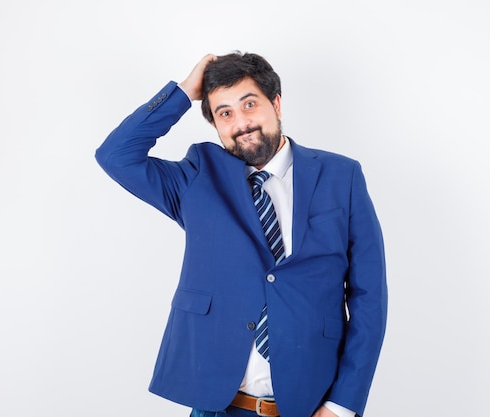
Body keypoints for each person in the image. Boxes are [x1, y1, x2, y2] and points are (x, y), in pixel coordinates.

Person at [95, 51, 387, 417]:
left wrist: (342, 406)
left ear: (276, 103)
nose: (241, 122)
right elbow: (116, 155)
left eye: (249, 104)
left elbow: (369, 298)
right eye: (225, 113)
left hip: (312, 406)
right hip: (219, 406)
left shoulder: (341, 176)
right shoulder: (197, 178)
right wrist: (185, 92)